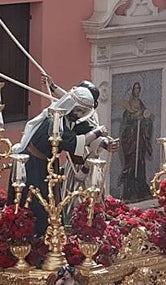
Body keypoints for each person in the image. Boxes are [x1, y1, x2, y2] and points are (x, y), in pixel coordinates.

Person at [11, 86, 114, 235]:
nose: (79, 115)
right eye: (79, 111)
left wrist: (104, 142)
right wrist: (98, 132)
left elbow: (84, 129)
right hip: (34, 165)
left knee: (49, 206)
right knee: (37, 207)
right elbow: (72, 142)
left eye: (83, 112)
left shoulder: (68, 118)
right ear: (72, 106)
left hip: (47, 165)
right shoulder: (54, 121)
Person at [116, 81, 155, 201]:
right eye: (135, 89)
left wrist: (145, 120)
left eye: (139, 89)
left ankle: (141, 189)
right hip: (131, 141)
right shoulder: (127, 109)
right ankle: (129, 190)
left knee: (140, 163)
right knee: (131, 163)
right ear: (133, 90)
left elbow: (148, 120)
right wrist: (134, 122)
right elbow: (125, 126)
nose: (137, 91)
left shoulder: (142, 106)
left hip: (140, 140)